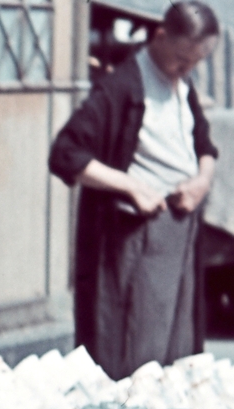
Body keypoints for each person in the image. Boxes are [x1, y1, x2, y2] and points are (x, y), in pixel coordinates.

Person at [49, 1, 220, 380]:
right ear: (160, 36)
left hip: (181, 226)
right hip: (137, 231)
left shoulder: (180, 82)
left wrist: (201, 181)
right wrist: (131, 186)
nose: (186, 69)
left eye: (194, 62)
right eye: (180, 59)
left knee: (178, 350)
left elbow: (205, 146)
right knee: (133, 351)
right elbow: (66, 153)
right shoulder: (122, 87)